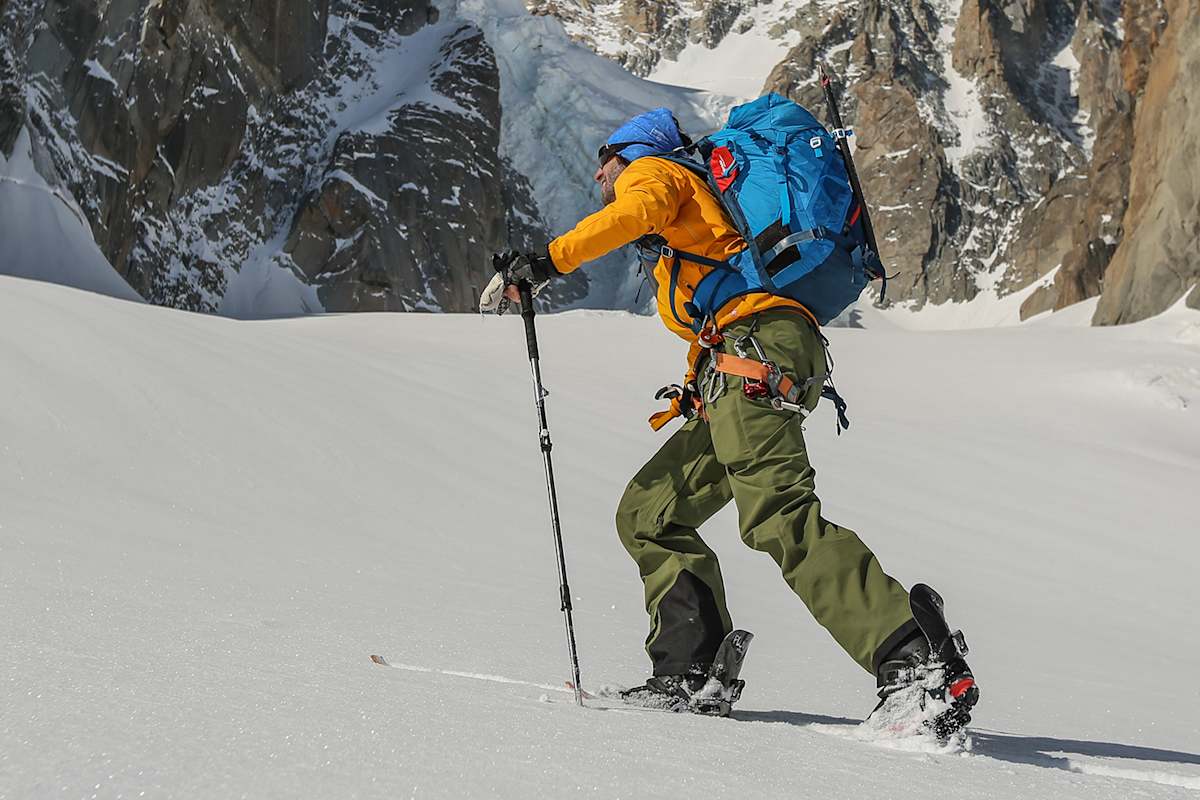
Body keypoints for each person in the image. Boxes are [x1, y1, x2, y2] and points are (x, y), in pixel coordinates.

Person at [480, 108, 977, 733]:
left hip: (756, 353)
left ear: (630, 152)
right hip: (741, 361)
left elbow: (632, 213)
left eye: (605, 161)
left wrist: (548, 262)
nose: (600, 175)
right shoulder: (691, 209)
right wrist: (697, 388)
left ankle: (916, 659)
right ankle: (689, 671)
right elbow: (722, 302)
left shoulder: (654, 173)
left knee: (778, 516)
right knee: (650, 513)